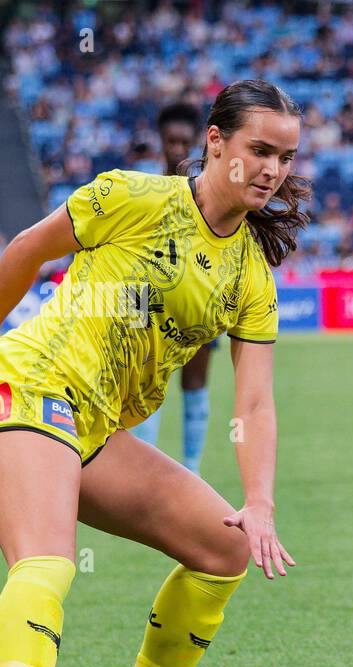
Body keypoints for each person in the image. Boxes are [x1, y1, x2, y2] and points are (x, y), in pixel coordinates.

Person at [0, 79, 305, 667]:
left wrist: (259, 502)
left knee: (223, 548)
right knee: (46, 561)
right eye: (259, 150)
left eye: (284, 157)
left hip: (88, 425)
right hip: (22, 386)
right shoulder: (133, 197)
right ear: (215, 142)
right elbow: (25, 249)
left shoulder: (251, 273)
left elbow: (255, 402)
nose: (271, 170)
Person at [131, 100, 225, 473]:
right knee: (141, 383)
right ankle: (143, 470)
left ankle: (191, 470)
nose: (177, 149)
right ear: (160, 142)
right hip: (143, 298)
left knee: (195, 382)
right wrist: (131, 310)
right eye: (171, 141)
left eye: (185, 142)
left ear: (199, 143)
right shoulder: (144, 190)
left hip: (196, 298)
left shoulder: (212, 195)